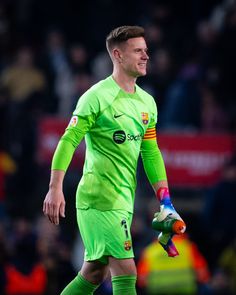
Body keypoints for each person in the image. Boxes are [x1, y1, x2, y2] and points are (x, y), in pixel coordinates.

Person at [43, 25, 184, 295]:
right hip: (99, 198)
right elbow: (68, 140)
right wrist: (54, 187)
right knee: (126, 271)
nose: (145, 56)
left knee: (94, 272)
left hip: (123, 199)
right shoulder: (96, 97)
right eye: (138, 51)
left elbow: (150, 152)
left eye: (146, 51)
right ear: (118, 55)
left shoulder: (147, 103)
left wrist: (165, 199)